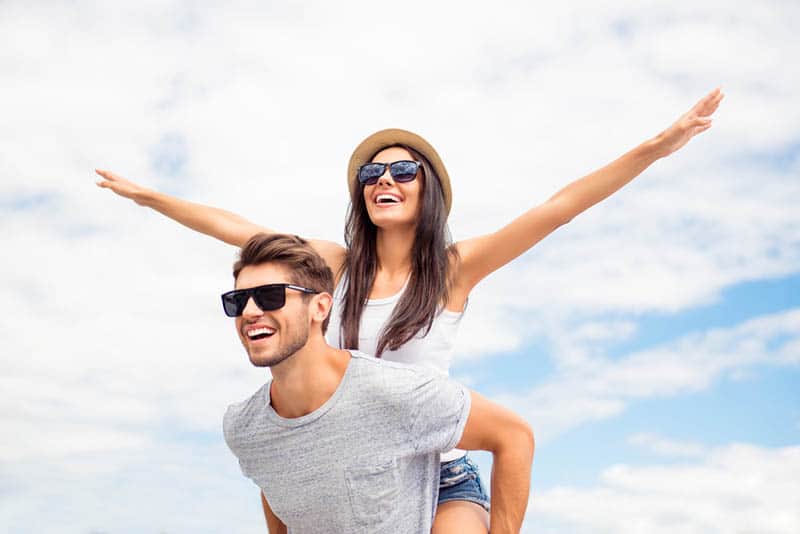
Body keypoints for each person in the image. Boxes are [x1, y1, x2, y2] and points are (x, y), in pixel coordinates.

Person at [95, 87, 723, 532]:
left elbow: (557, 208)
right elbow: (238, 228)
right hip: (352, 477)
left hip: (439, 475)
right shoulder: (333, 266)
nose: (383, 179)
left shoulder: (452, 269)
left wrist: (656, 147)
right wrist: (152, 197)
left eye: (402, 169)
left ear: (429, 188)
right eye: (371, 172)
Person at [222, 233, 534, 534]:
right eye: (238, 301)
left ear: (320, 307)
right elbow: (273, 484)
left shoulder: (394, 392)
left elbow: (513, 435)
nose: (250, 312)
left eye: (270, 296)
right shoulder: (245, 428)